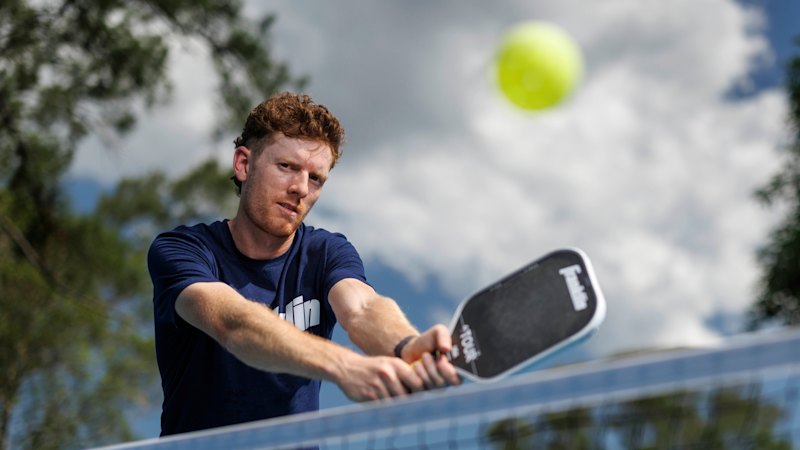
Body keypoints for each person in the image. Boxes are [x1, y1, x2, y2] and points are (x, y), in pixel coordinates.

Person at [147, 92, 461, 436]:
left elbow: (362, 308)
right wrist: (345, 366)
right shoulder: (183, 250)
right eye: (287, 167)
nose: (300, 188)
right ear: (243, 164)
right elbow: (234, 324)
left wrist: (406, 346)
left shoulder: (326, 251)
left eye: (316, 179)